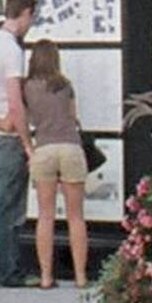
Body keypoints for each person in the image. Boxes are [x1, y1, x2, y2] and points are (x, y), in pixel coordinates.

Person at [20, 37, 89, 289]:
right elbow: (73, 116)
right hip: (70, 146)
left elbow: (25, 117)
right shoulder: (65, 85)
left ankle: (47, 276)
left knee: (45, 216)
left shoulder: (27, 88)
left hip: (44, 148)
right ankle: (81, 276)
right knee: (76, 217)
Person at [0, 0, 37, 287]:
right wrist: (27, 142)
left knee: (1, 203)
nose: (30, 26)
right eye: (31, 18)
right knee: (12, 207)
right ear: (25, 13)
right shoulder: (12, 51)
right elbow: (15, 99)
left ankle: (2, 266)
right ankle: (10, 270)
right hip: (10, 136)